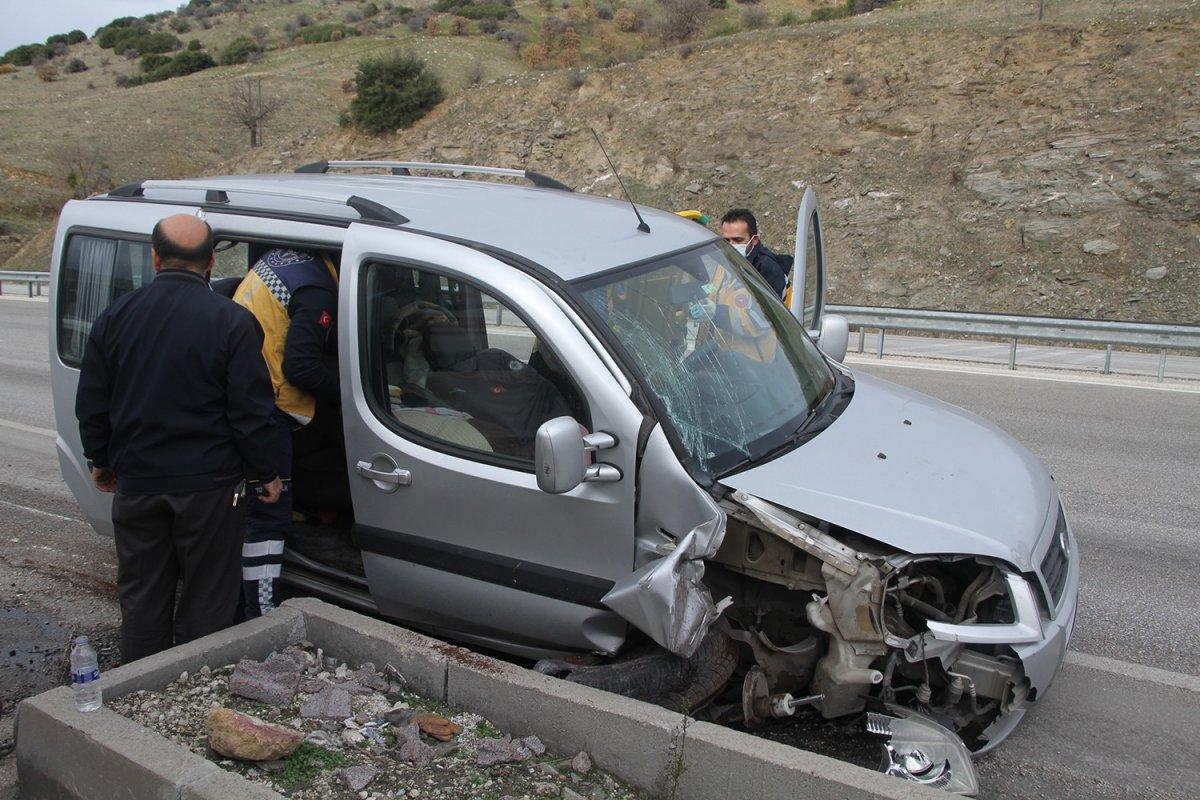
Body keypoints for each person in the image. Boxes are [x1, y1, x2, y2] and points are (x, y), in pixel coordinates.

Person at [75, 214, 282, 663]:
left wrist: (102, 460)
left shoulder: (115, 317)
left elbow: (93, 403)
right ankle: (194, 682)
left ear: (154, 257)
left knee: (142, 594)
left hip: (139, 484)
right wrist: (266, 472)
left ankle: (137, 689)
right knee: (208, 596)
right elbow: (251, 411)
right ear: (211, 261)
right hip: (209, 490)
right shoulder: (233, 322)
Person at [233, 246, 341, 618]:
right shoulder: (318, 290)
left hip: (244, 387)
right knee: (268, 517)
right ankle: (261, 616)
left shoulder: (290, 261)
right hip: (269, 405)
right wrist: (354, 392)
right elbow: (302, 367)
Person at [719, 208, 788, 298]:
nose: (731, 245)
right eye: (727, 240)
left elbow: (763, 309)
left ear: (754, 240)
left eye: (738, 240)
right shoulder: (730, 259)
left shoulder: (767, 268)